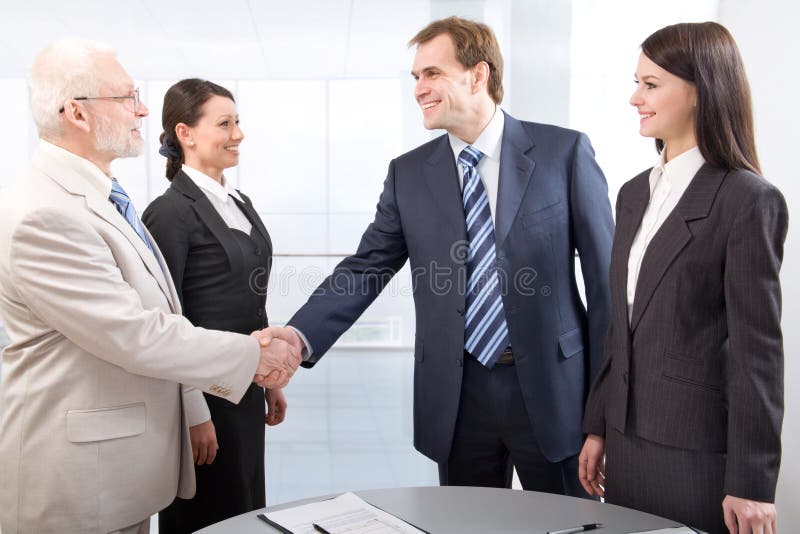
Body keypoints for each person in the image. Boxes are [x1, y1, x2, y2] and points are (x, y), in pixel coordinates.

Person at [268, 16, 614, 496]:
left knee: (569, 524)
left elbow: (606, 290)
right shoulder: (408, 175)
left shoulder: (564, 153)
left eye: (433, 74)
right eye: (415, 77)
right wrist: (298, 335)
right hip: (458, 395)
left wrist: (603, 413)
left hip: (555, 393)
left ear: (478, 75)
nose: (419, 89)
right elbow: (366, 268)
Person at [0, 40, 300, 534]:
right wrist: (253, 358)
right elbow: (135, 333)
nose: (142, 109)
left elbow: (159, 309)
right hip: (79, 485)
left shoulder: (100, 198)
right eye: (126, 98)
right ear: (77, 112)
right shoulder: (45, 213)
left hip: (124, 465)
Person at [579, 22, 787, 534]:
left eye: (651, 84)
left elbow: (756, 353)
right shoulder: (632, 194)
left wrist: (753, 483)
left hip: (696, 456)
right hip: (626, 445)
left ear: (701, 91)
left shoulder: (747, 199)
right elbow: (619, 326)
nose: (634, 97)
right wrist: (598, 425)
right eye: (636, 82)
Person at [141, 79, 285, 533]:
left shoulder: (238, 202)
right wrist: (193, 411)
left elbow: (248, 298)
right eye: (224, 123)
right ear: (185, 133)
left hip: (244, 387)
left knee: (245, 506)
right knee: (208, 514)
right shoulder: (169, 213)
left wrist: (270, 376)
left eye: (237, 122)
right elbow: (165, 321)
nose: (238, 134)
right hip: (204, 396)